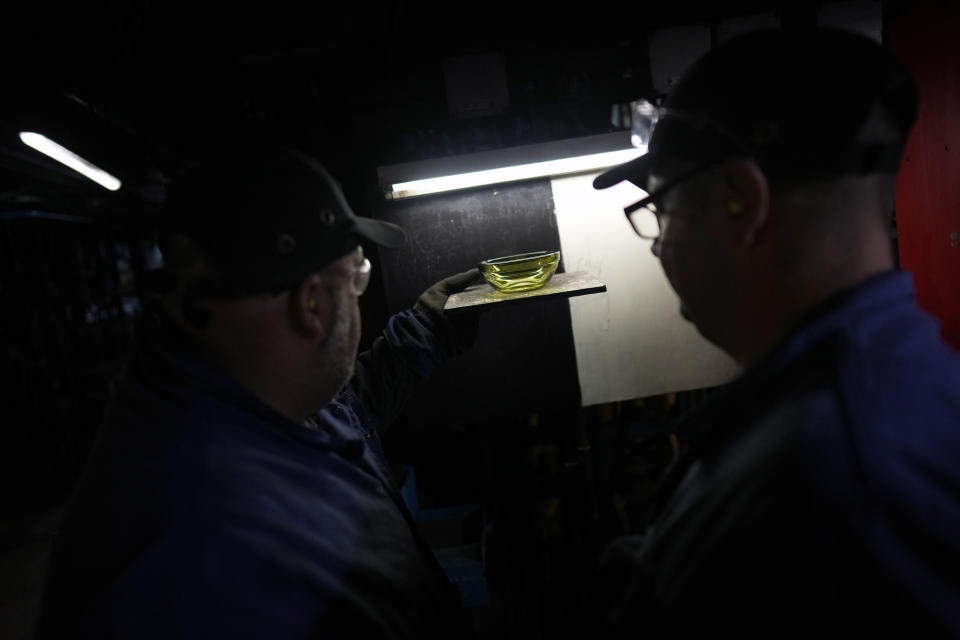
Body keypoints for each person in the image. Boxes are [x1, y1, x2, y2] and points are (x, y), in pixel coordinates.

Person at [589, 28, 960, 637]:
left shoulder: (829, 474)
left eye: (664, 208)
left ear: (740, 199)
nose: (659, 246)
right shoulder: (887, 397)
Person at [33, 146, 482, 638]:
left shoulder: (244, 390)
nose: (359, 293)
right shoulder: (220, 551)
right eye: (357, 277)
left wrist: (427, 329)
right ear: (312, 305)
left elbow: (344, 413)